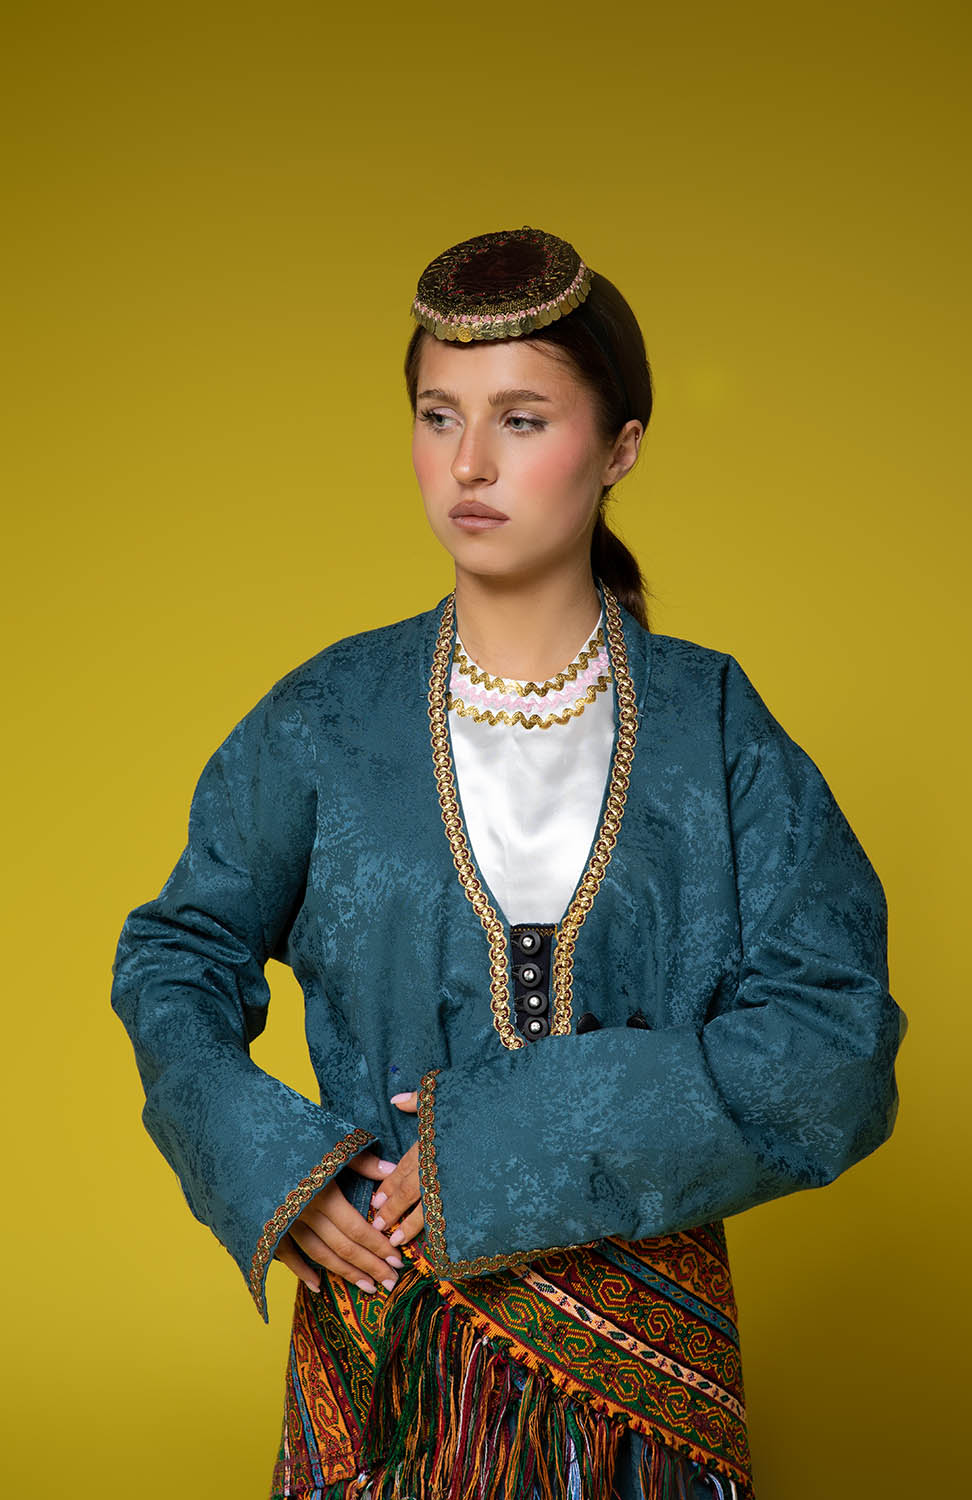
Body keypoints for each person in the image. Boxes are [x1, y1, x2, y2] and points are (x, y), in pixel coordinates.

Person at [110, 226, 907, 1500]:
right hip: (390, 1369)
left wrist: (513, 1137)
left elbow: (835, 1048)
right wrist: (266, 1164)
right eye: (438, 416)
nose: (467, 465)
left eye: (521, 421)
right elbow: (174, 955)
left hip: (649, 1394)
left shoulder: (711, 726)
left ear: (621, 448)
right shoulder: (324, 720)